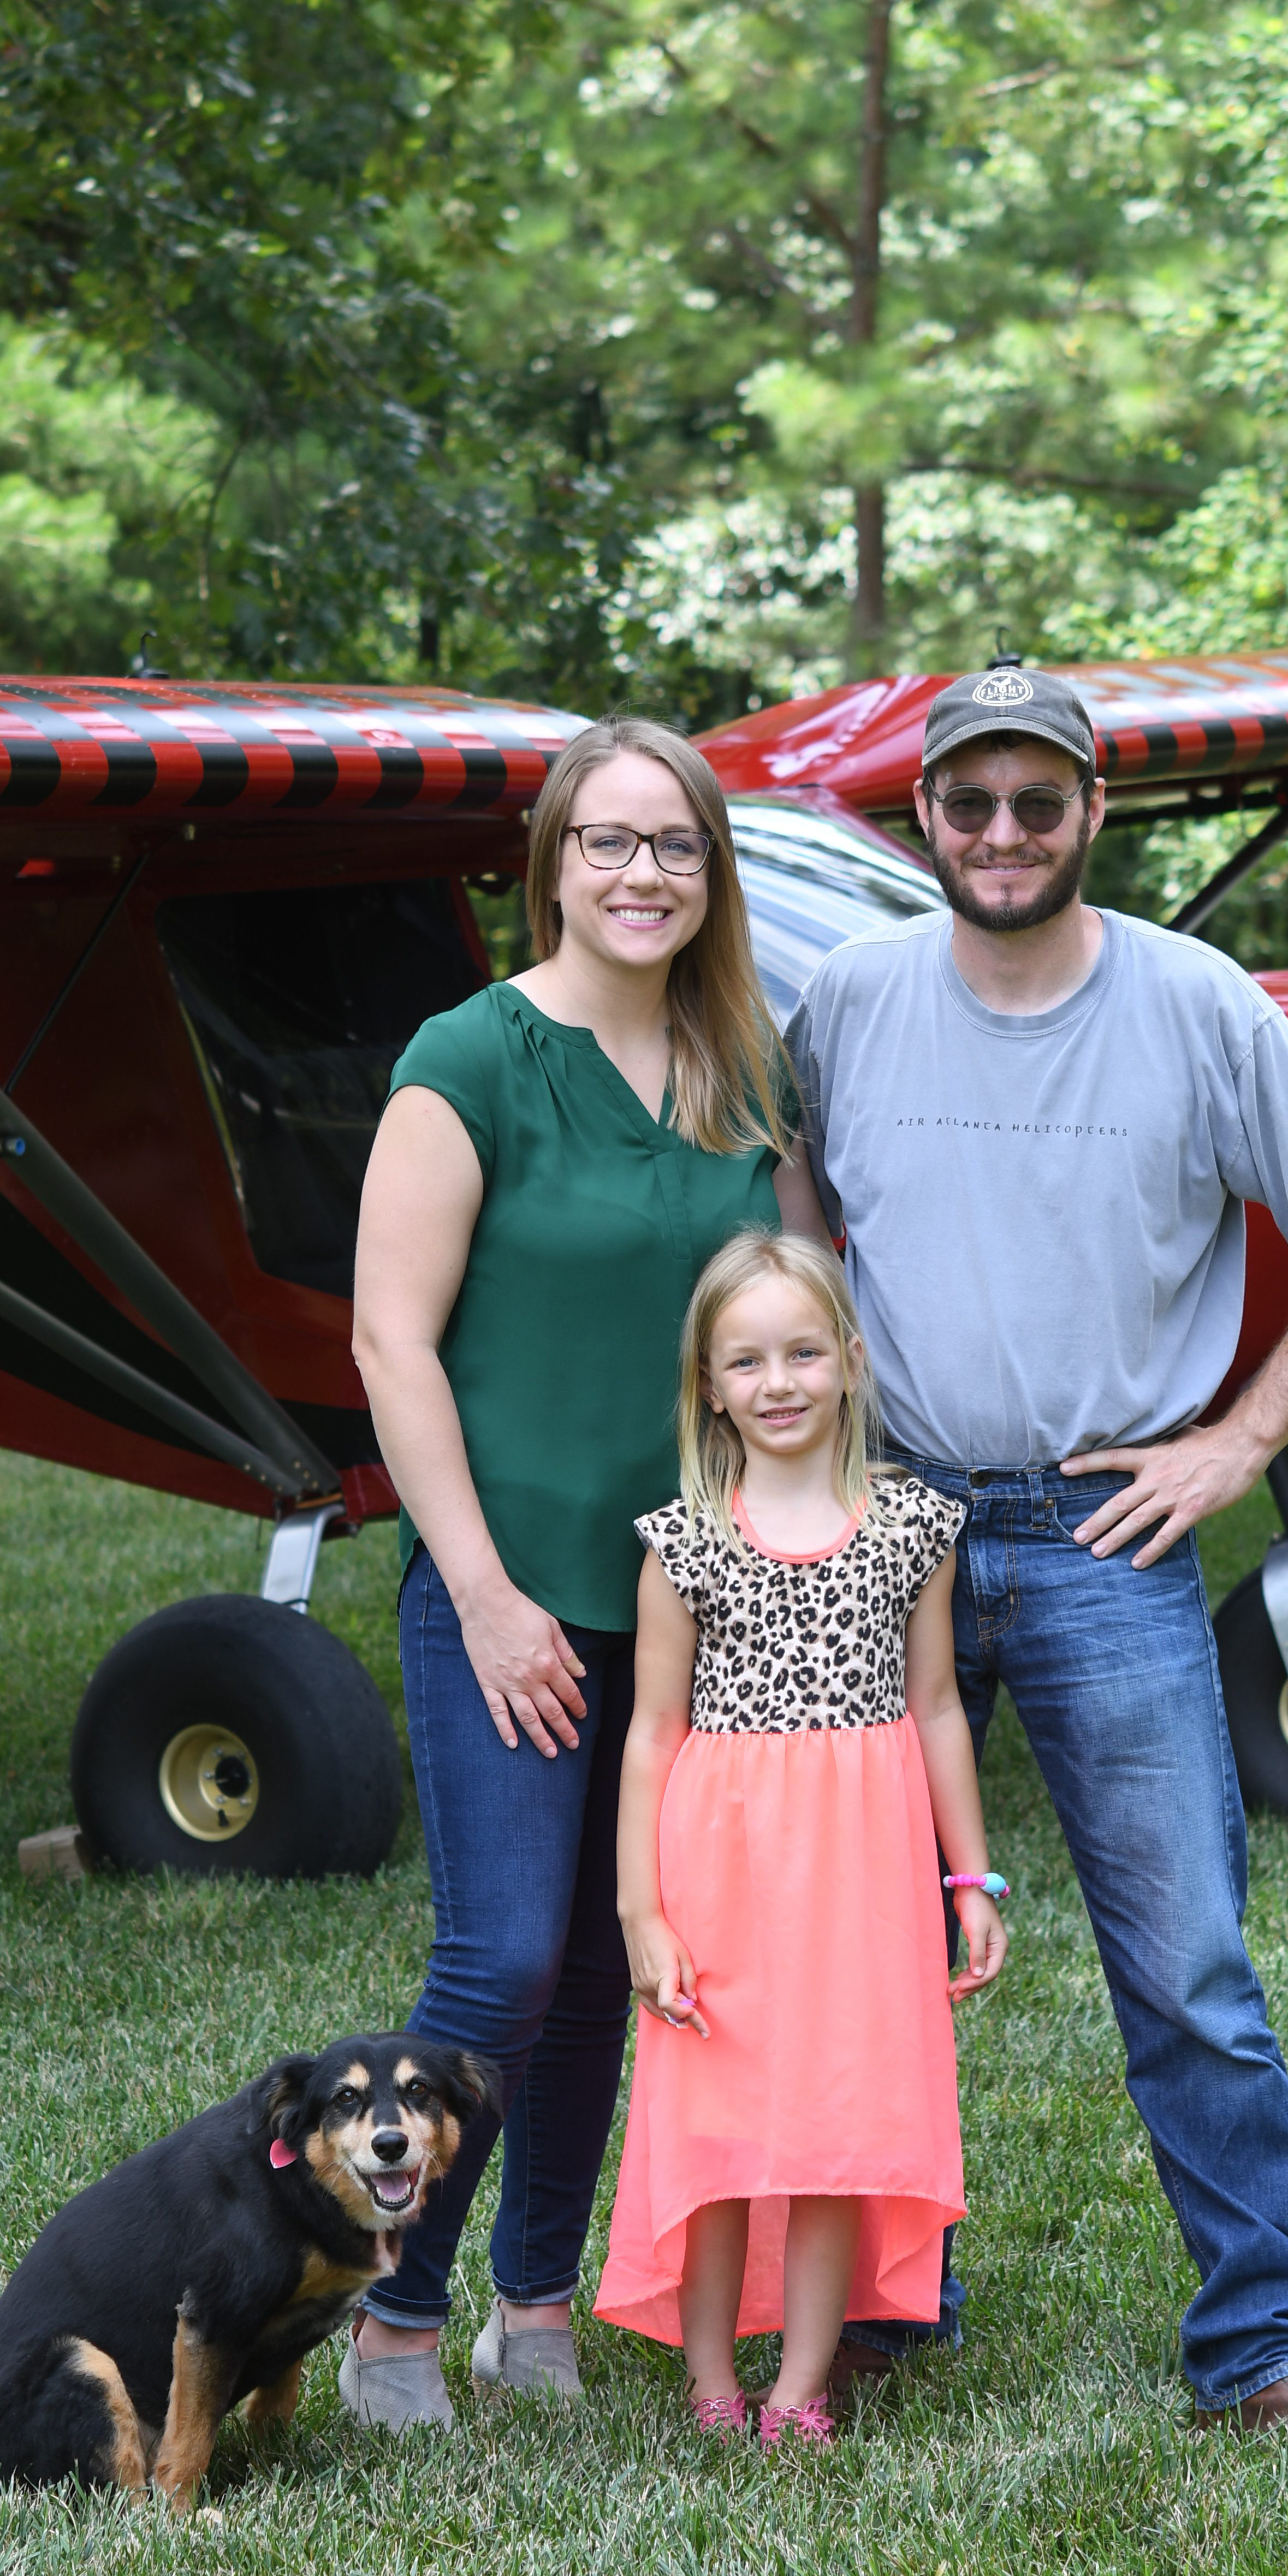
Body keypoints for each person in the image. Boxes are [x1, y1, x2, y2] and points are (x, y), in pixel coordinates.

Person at [787, 663, 1288, 2445]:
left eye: (1036, 800)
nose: (1002, 834)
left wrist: (1235, 1440)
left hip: (1099, 1521)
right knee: (846, 1943)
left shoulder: (1196, 1002)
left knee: (1190, 1963)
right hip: (892, 1511)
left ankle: (1263, 2350)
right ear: (924, 813)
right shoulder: (845, 999)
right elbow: (791, 1200)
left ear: (1092, 808)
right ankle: (864, 2313)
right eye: (969, 801)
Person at [346, 718, 823, 2431]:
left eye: (677, 845)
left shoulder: (742, 1074)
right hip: (515, 1583)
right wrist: (477, 1591)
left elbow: (794, 1323)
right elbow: (390, 1343)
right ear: (549, 864)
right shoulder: (466, 1058)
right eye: (609, 843)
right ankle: (392, 2318)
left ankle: (529, 2303)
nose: (643, 875)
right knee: (499, 1966)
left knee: (622, 1956)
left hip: (699, 1603)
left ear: (713, 872)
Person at [594, 1229, 1008, 2443]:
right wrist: (641, 1912)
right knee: (722, 2136)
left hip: (863, 1884)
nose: (779, 1383)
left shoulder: (911, 1531)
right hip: (723, 1881)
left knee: (839, 2127)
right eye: (747, 1361)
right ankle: (713, 2382)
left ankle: (799, 2390)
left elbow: (936, 1708)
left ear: (851, 1359)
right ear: (708, 1387)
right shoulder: (684, 1544)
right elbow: (650, 1738)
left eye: (803, 1353)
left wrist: (968, 1876)